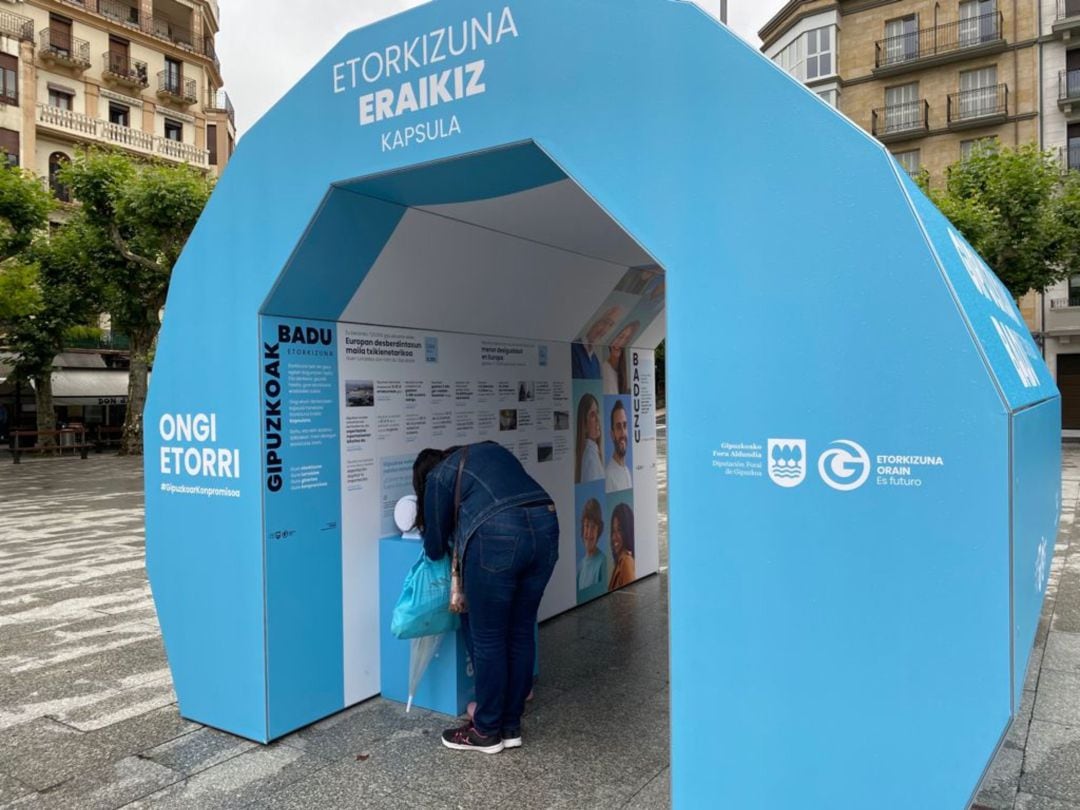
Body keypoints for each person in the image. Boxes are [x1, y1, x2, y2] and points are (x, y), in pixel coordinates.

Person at [413, 441, 558, 754]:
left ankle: (486, 730)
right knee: (521, 631)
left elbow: (435, 546)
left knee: (488, 638)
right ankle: (510, 725)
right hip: (546, 524)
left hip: (499, 536)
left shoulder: (438, 478)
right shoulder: (488, 451)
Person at [571, 306, 622, 379]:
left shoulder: (595, 361)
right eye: (605, 321)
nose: (605, 330)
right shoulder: (573, 348)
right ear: (594, 319)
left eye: (610, 325)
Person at [577, 498, 606, 597]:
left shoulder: (603, 562)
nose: (589, 533)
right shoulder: (580, 566)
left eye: (593, 527)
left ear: (599, 531)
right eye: (586, 526)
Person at [602, 321, 639, 396]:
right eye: (620, 336)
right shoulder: (604, 369)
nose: (621, 342)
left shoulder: (622, 370)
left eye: (626, 339)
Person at [574, 394, 604, 483]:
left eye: (597, 412)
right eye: (592, 415)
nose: (598, 419)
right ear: (585, 425)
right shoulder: (590, 458)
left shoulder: (593, 454)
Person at [605, 401, 632, 493]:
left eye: (625, 425)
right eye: (618, 427)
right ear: (612, 435)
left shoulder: (627, 471)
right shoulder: (609, 476)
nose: (623, 432)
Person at [608, 503, 636, 591]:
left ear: (627, 532)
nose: (614, 537)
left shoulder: (626, 562)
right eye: (613, 531)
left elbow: (630, 602)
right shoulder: (620, 562)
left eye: (619, 530)